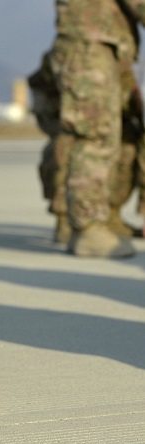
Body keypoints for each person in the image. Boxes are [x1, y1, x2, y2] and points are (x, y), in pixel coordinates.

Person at [42, 0, 145, 258]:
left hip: (101, 44)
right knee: (95, 136)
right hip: (91, 45)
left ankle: (100, 218)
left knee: (113, 136)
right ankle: (88, 227)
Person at [29, 48, 145, 245]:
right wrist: (61, 122)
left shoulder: (122, 64)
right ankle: (67, 218)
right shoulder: (72, 57)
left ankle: (110, 215)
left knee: (126, 146)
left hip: (107, 123)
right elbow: (40, 92)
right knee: (70, 146)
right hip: (68, 125)